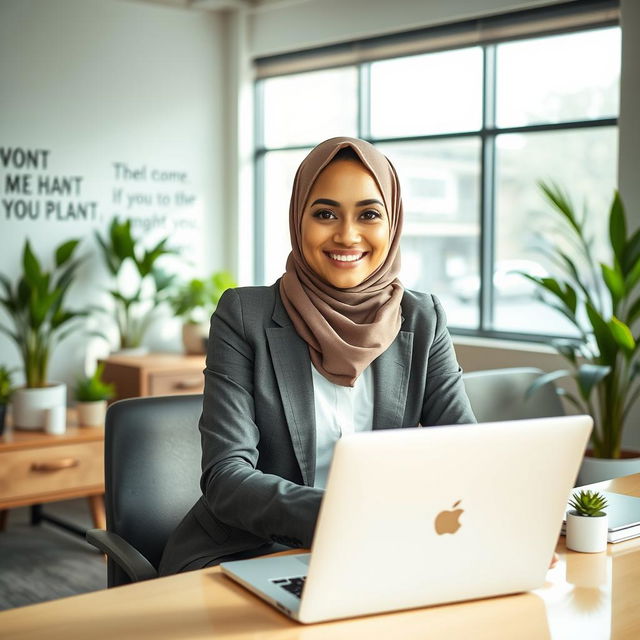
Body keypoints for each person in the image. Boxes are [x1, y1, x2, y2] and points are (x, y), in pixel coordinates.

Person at [158, 136, 476, 575]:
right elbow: (225, 478)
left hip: (376, 552)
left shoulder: (422, 318)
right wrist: (345, 517)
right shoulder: (244, 315)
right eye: (325, 213)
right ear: (297, 219)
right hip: (249, 553)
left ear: (394, 223)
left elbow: (466, 449)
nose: (347, 235)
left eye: (369, 214)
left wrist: (505, 529)